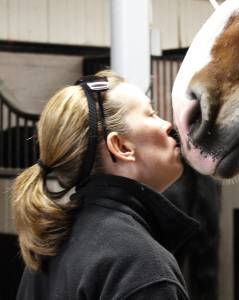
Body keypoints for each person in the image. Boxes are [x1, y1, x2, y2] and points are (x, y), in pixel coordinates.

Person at [12, 70, 199, 299]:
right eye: (151, 114)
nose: (168, 125)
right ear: (121, 147)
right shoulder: (141, 267)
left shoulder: (49, 248)